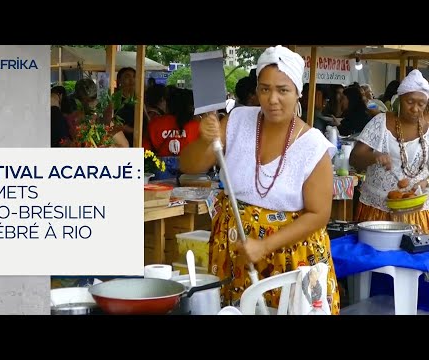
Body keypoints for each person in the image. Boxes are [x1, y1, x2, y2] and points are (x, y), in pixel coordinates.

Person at [179, 45, 340, 314]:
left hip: (290, 259)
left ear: (298, 92)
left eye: (283, 90)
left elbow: (319, 214)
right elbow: (190, 165)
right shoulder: (237, 121)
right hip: (236, 247)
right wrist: (204, 140)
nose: (272, 99)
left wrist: (265, 245)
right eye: (264, 89)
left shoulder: (313, 145)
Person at [350, 69, 429, 227]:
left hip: (417, 212)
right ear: (400, 99)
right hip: (377, 210)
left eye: (421, 104)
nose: (415, 109)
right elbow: (354, 159)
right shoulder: (380, 122)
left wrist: (425, 183)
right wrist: (374, 157)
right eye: (410, 102)